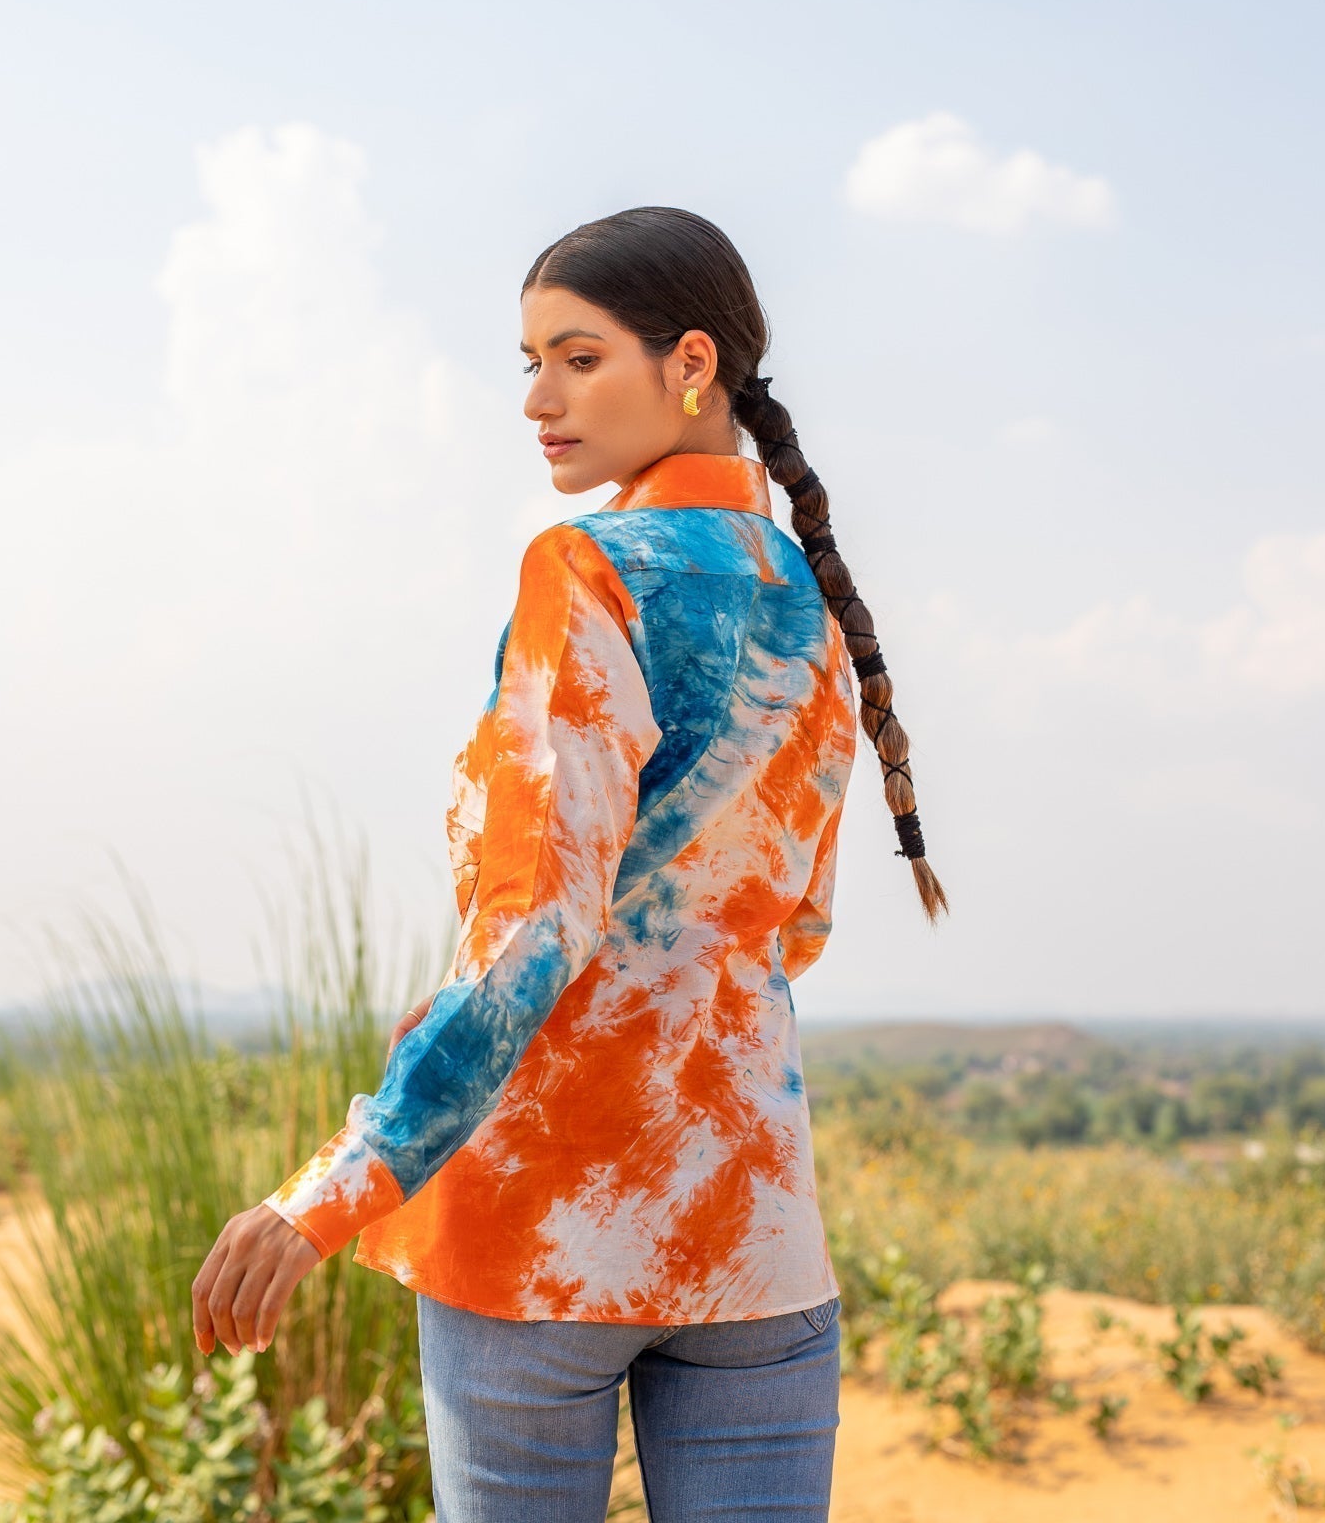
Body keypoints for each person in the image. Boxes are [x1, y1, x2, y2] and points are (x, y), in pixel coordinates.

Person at [192, 206, 946, 1522]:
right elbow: (794, 928)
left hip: (537, 1230)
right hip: (753, 1234)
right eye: (531, 363)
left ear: (691, 364)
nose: (539, 399)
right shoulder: (812, 604)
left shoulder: (586, 568)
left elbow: (538, 929)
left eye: (579, 358)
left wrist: (325, 1196)